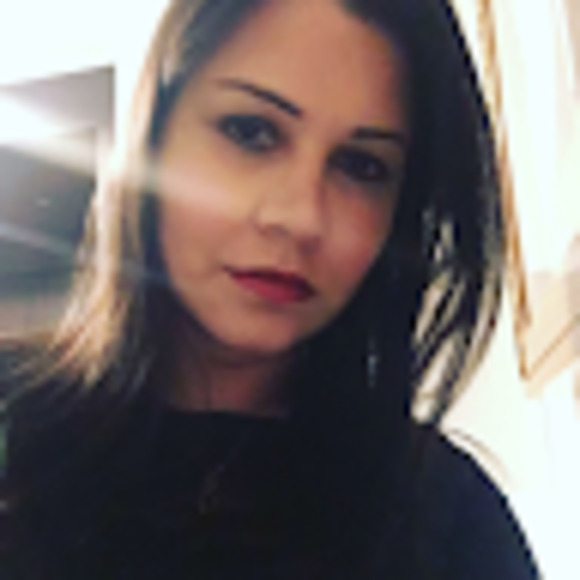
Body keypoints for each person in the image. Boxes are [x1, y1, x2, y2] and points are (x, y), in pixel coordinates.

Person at [0, 0, 539, 577]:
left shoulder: (448, 518)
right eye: (250, 132)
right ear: (154, 132)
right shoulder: (14, 424)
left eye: (361, 166)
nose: (301, 217)